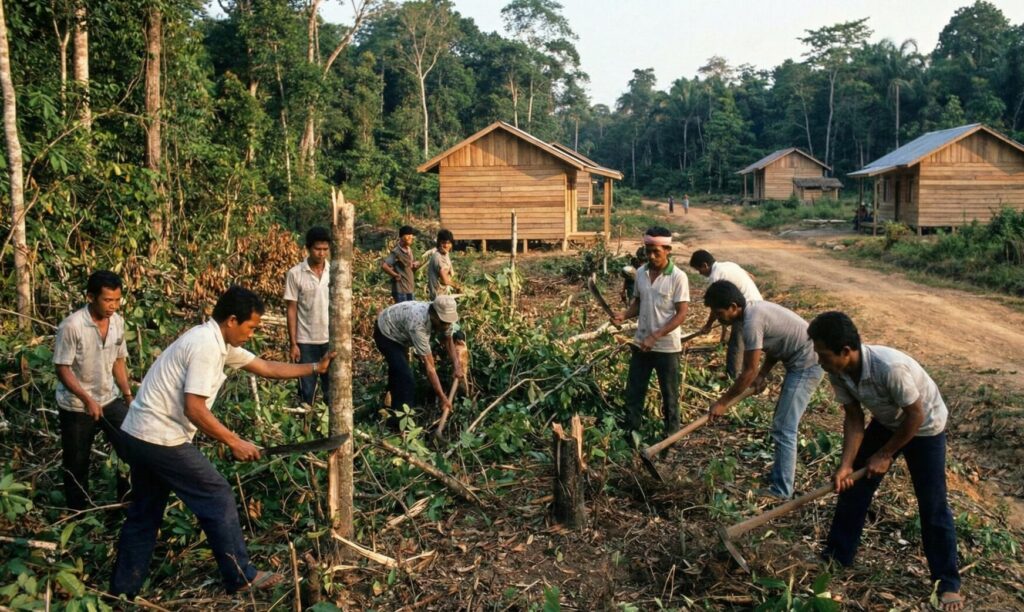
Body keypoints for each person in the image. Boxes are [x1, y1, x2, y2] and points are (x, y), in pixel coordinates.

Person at [111, 286, 335, 598]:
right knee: (217, 495)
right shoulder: (205, 345)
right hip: (159, 436)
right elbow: (194, 408)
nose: (252, 334)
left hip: (138, 433)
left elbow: (266, 367)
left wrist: (314, 368)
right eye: (250, 327)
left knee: (144, 515)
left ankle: (121, 592)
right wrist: (234, 441)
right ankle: (241, 577)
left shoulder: (218, 341)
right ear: (232, 320)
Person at [807, 312, 963, 611]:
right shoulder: (837, 370)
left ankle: (947, 582)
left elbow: (915, 415)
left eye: (823, 354)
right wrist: (846, 465)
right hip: (888, 421)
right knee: (853, 487)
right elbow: (854, 419)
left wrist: (885, 454)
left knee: (932, 504)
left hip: (925, 427)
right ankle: (837, 556)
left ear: (846, 351)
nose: (819, 360)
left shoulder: (889, 368)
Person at [704, 280, 822, 500]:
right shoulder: (752, 312)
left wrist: (722, 402)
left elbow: (748, 371)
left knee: (785, 427)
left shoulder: (752, 322)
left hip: (808, 362)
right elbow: (777, 344)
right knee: (782, 423)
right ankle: (780, 479)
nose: (718, 319)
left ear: (733, 307)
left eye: (719, 313)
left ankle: (781, 490)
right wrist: (763, 374)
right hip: (800, 359)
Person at [53, 270, 133, 511]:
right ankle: (79, 515)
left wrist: (128, 395)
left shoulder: (117, 322)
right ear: (90, 297)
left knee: (132, 446)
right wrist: (86, 399)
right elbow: (62, 368)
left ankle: (126, 504)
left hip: (109, 397)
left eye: (117, 300)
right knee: (77, 462)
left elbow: (118, 360)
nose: (113, 306)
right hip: (76, 405)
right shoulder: (72, 326)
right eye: (107, 300)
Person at [611, 227, 690, 438]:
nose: (652, 256)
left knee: (669, 394)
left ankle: (671, 436)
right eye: (648, 251)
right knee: (634, 391)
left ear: (668, 250)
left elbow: (681, 314)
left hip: (667, 347)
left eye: (657, 252)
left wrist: (655, 336)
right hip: (641, 343)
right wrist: (624, 315)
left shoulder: (678, 277)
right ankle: (631, 432)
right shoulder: (641, 273)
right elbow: (638, 303)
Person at [374, 295, 464, 419]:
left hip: (400, 329)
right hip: (386, 332)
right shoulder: (418, 325)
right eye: (443, 322)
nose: (446, 326)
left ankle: (389, 405)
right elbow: (430, 368)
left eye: (448, 322)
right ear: (434, 315)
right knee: (405, 377)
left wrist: (457, 366)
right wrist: (442, 398)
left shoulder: (445, 321)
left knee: (398, 371)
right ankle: (400, 420)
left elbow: (448, 341)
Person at [689, 249, 763, 379]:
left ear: (705, 265)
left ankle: (733, 375)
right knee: (746, 341)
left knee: (736, 342)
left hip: (747, 307)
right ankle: (745, 371)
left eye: (699, 269)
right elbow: (750, 276)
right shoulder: (729, 265)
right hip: (758, 303)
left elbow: (716, 307)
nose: (700, 273)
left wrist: (708, 325)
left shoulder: (716, 277)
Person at [285, 226, 331, 406]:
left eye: (325, 249)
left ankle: (328, 421)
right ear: (308, 248)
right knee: (306, 390)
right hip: (305, 341)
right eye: (317, 249)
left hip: (329, 339)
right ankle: (306, 421)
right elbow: (291, 309)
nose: (321, 253)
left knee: (331, 390)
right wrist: (293, 343)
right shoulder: (295, 273)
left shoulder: (334, 272)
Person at [382, 225, 419, 303]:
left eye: (411, 235)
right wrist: (395, 275)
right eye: (408, 235)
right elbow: (384, 266)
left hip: (410, 288)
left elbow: (409, 267)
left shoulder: (409, 250)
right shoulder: (396, 252)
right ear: (401, 237)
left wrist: (414, 265)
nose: (411, 237)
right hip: (401, 291)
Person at [426, 229, 458, 300]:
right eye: (443, 243)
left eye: (448, 243)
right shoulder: (438, 257)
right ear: (439, 243)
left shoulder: (445, 254)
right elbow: (445, 280)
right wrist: (457, 286)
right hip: (438, 297)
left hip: (443, 294)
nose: (446, 245)